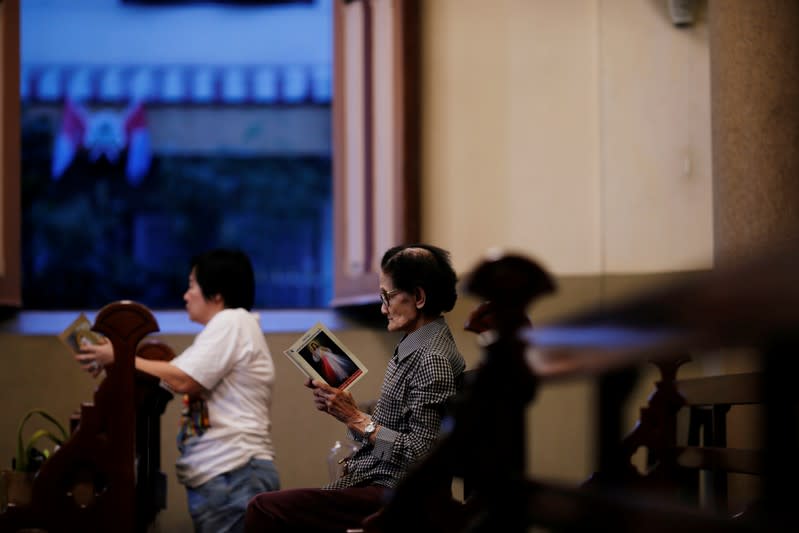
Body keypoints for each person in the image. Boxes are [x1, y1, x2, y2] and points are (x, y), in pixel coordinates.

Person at [244, 243, 466, 533]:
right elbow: (396, 435)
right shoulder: (420, 344)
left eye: (387, 296)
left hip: (395, 494)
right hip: (381, 482)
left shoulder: (431, 358)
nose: (383, 308)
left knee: (263, 508)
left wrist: (356, 419)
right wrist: (347, 411)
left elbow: (421, 457)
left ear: (419, 297)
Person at [77, 248, 280, 533]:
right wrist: (117, 363)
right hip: (226, 476)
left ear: (217, 293)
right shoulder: (226, 329)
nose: (186, 295)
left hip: (234, 473)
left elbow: (183, 379)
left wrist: (121, 356)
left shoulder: (232, 322)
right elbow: (168, 376)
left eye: (192, 285)